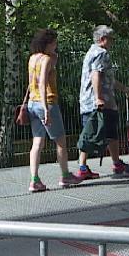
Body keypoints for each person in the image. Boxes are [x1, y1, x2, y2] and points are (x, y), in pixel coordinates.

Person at [26, 29, 82, 192]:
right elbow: (43, 82)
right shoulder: (46, 59)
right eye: (54, 43)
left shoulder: (32, 58)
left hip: (32, 103)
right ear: (48, 43)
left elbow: (32, 82)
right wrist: (46, 108)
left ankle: (34, 179)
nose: (56, 45)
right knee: (60, 142)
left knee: (37, 141)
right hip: (47, 103)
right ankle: (65, 175)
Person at [76, 25, 129, 179]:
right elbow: (96, 75)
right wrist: (98, 98)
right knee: (102, 133)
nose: (112, 42)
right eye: (111, 39)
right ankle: (110, 164)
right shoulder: (101, 53)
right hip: (101, 102)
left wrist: (126, 89)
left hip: (88, 101)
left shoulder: (91, 52)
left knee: (94, 132)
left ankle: (87, 166)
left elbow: (108, 78)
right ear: (103, 39)